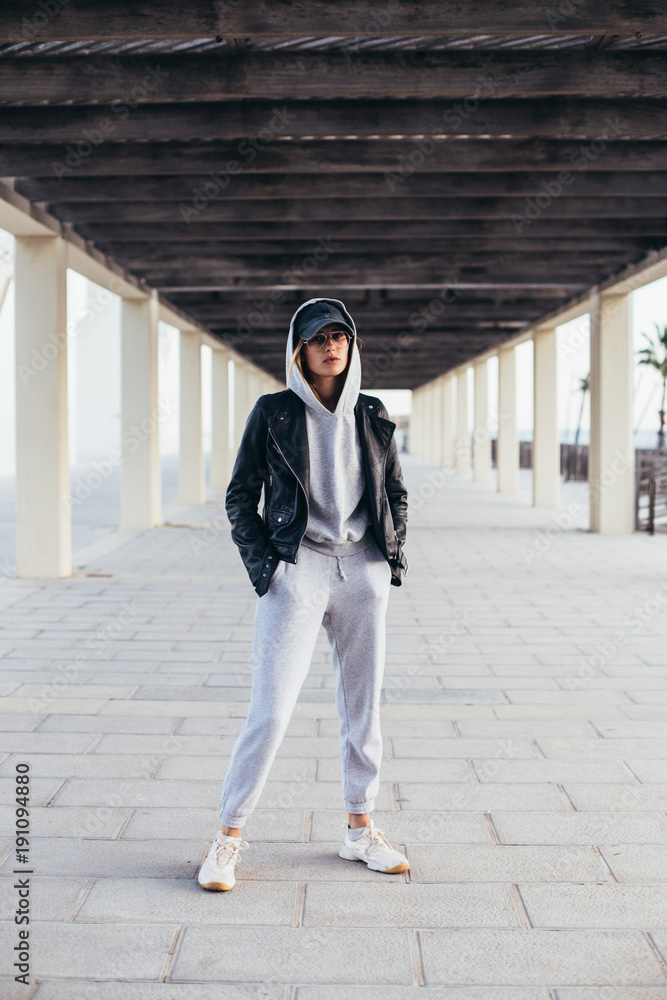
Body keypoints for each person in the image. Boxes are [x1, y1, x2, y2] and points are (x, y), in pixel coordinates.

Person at [198, 297, 409, 891]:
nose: (332, 345)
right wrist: (268, 569)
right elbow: (241, 496)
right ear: (299, 349)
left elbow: (394, 490)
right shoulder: (273, 412)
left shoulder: (371, 411)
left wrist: (384, 558)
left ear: (352, 346)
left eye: (341, 336)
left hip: (362, 571)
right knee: (270, 710)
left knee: (363, 709)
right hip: (299, 569)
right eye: (319, 337)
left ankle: (360, 829)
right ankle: (227, 837)